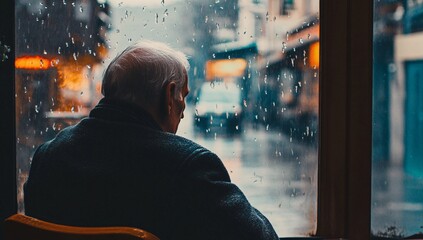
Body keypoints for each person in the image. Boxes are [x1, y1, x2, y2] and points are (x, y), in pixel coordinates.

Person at [24, 40, 279, 240]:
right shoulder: (188, 169)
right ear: (169, 95)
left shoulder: (48, 158)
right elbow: (258, 236)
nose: (184, 109)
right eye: (184, 96)